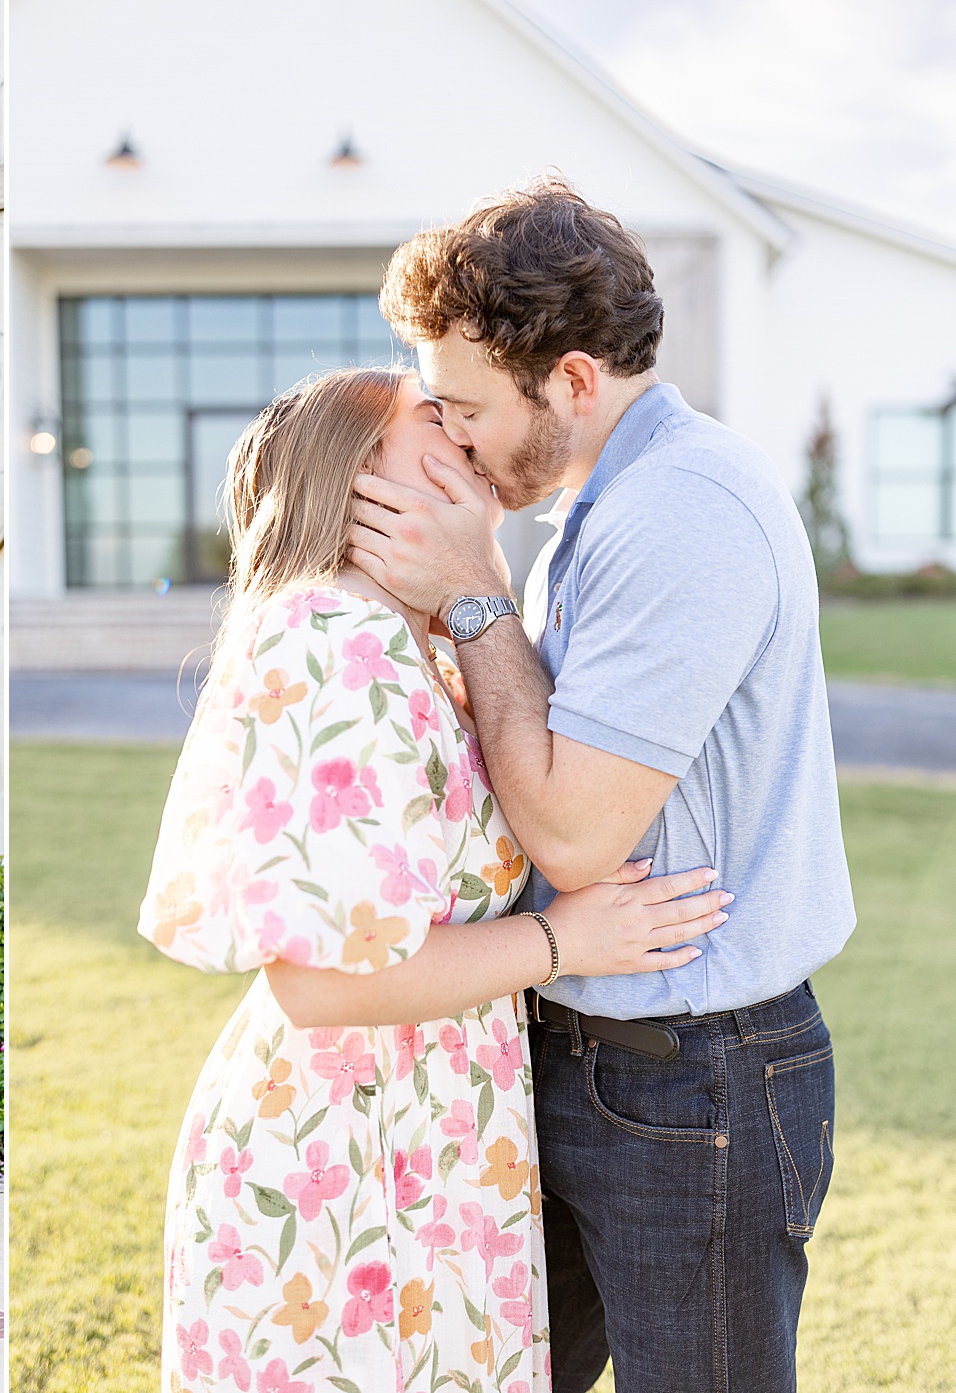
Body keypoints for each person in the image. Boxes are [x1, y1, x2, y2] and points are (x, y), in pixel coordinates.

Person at [350, 178, 855, 1393]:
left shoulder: (680, 510)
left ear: (572, 379)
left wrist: (475, 591)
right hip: (591, 1048)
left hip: (696, 1075)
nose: (455, 436)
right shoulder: (605, 500)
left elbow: (575, 831)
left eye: (465, 406)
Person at [139, 366, 729, 1393]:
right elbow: (318, 984)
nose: (461, 427)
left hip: (428, 1132)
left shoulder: (415, 642)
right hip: (343, 1152)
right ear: (358, 470)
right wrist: (564, 943)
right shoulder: (334, 639)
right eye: (431, 416)